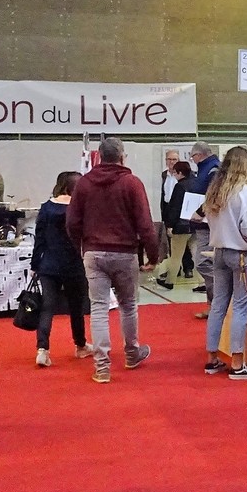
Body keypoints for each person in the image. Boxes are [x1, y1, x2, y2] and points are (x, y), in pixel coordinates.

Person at [66, 138, 159, 384]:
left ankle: (102, 367)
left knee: (98, 308)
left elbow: (72, 222)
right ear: (121, 157)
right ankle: (132, 353)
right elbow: (146, 225)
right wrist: (153, 255)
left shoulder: (84, 183)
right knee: (128, 305)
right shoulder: (132, 183)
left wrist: (81, 247)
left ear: (99, 156)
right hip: (125, 253)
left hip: (93, 252)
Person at [202, 146, 247, 380]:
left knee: (218, 305)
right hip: (241, 255)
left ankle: (212, 358)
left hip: (219, 252)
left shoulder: (214, 190)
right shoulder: (244, 192)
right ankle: (238, 364)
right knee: (240, 307)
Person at [31, 171, 94, 366]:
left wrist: (35, 264)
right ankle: (80, 345)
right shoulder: (79, 209)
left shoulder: (46, 208)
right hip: (74, 264)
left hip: (49, 264)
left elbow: (39, 239)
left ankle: (42, 350)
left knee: (47, 307)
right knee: (76, 307)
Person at [186, 141, 221, 317]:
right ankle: (214, 305)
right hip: (204, 223)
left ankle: (219, 302)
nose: (192, 160)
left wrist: (200, 211)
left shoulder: (213, 169)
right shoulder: (206, 169)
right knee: (207, 263)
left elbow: (213, 195)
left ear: (199, 155)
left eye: (192, 156)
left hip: (208, 224)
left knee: (203, 263)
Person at [156, 161, 194, 290]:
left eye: (175, 173)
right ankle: (203, 282)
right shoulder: (196, 183)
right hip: (195, 224)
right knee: (198, 256)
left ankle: (169, 281)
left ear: (180, 173)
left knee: (176, 256)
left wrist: (170, 225)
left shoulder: (180, 186)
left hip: (180, 226)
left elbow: (175, 207)